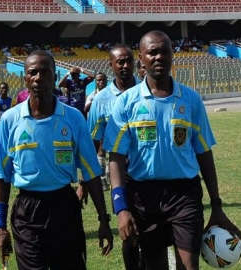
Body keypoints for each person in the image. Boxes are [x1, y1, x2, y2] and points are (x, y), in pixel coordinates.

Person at [103, 30, 241, 270]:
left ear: (172, 55)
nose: (159, 57)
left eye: (164, 51)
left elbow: (204, 154)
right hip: (143, 197)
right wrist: (121, 207)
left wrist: (216, 205)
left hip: (184, 194)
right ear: (142, 58)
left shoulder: (191, 99)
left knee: (189, 266)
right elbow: (115, 158)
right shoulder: (127, 102)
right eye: (152, 52)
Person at [0, 50, 113, 270]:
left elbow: (91, 172)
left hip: (64, 207)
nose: (39, 77)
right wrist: (0, 226)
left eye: (45, 72)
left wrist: (103, 219)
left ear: (55, 76)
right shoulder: (10, 121)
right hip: (27, 211)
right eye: (33, 73)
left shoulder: (73, 118)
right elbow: (2, 176)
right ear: (25, 79)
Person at [87, 44, 144, 269]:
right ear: (111, 65)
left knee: (151, 233)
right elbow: (92, 143)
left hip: (148, 173)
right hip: (120, 175)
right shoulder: (100, 101)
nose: (125, 65)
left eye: (128, 60)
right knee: (128, 231)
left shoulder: (146, 91)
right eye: (119, 62)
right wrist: (85, 181)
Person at [84, 72, 108, 191]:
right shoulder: (92, 95)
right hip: (96, 126)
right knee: (100, 150)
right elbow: (85, 109)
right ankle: (102, 178)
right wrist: (95, 102)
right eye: (98, 80)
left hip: (109, 125)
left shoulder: (110, 94)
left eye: (103, 80)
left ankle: (108, 176)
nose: (101, 82)